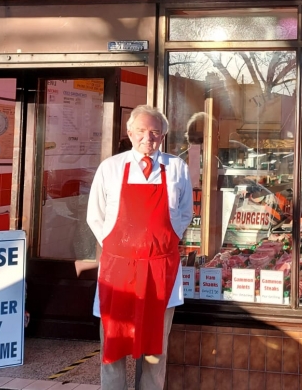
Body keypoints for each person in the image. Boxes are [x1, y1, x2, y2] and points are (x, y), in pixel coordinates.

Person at [87, 105, 193, 390]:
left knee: (155, 350)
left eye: (155, 132)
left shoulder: (177, 168)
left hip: (161, 271)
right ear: (130, 132)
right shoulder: (110, 168)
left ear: (163, 136)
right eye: (142, 131)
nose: (149, 137)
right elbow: (94, 215)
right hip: (117, 271)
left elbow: (185, 212)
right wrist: (117, 245)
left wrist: (163, 240)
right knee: (113, 344)